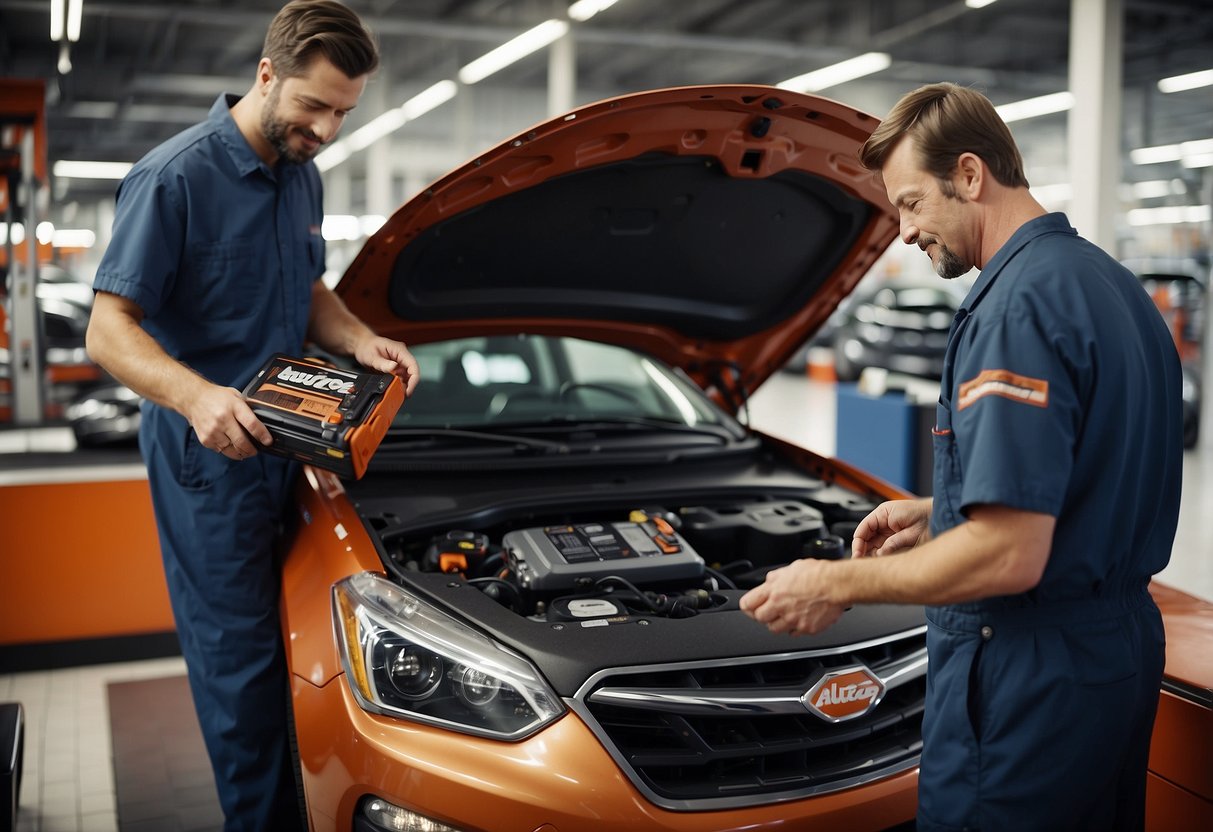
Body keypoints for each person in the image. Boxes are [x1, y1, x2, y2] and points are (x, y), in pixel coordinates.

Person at [740, 82, 1183, 831]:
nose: (903, 233)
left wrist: (836, 583)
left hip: (1028, 685)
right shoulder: (1109, 287)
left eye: (911, 204)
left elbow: (1008, 554)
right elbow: (1090, 472)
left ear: (970, 176)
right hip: (1111, 662)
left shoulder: (1015, 308)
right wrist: (942, 509)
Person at [84, 2, 419, 829]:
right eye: (314, 106)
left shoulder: (301, 175)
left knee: (299, 650)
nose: (328, 129)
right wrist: (197, 396)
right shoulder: (175, 177)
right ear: (266, 75)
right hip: (211, 457)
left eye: (344, 111)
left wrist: (362, 339)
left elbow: (308, 291)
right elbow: (107, 329)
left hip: (291, 447)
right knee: (240, 672)